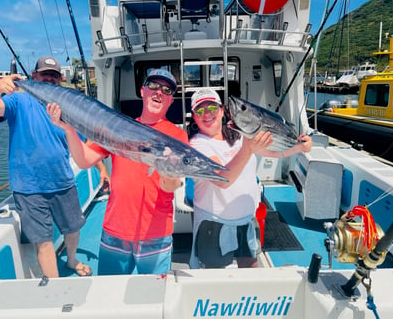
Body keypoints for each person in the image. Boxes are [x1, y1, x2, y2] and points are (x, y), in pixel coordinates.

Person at [47, 69, 187, 275]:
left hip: (155, 235)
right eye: (154, 86)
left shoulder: (177, 136)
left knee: (154, 296)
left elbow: (171, 185)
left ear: (170, 101)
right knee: (109, 293)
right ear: (143, 91)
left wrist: (169, 176)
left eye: (166, 90)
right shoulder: (117, 128)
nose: (159, 92)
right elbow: (84, 160)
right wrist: (67, 129)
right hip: (115, 230)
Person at [0, 56, 92, 278]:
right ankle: (57, 288)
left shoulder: (67, 108)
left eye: (54, 75)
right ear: (34, 76)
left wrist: (102, 170)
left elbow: (81, 146)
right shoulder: (18, 102)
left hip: (63, 181)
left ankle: (72, 259)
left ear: (60, 80)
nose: (49, 78)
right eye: (44, 74)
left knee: (73, 229)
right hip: (28, 188)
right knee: (43, 241)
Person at [188, 88, 312, 269]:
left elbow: (276, 152)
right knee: (215, 281)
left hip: (246, 220)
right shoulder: (197, 145)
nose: (207, 114)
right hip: (213, 224)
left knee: (251, 272)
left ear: (223, 111)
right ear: (194, 116)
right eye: (200, 110)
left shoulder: (239, 135)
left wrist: (301, 147)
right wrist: (248, 148)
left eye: (212, 108)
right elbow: (223, 179)